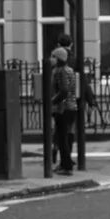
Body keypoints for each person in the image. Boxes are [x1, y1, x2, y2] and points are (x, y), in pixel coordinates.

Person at [48, 46, 77, 175]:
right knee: (65, 136)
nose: (51, 59)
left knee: (62, 137)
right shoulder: (70, 70)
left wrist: (53, 101)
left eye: (53, 56)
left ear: (59, 58)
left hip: (63, 108)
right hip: (71, 107)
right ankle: (66, 163)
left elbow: (64, 90)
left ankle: (66, 165)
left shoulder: (60, 71)